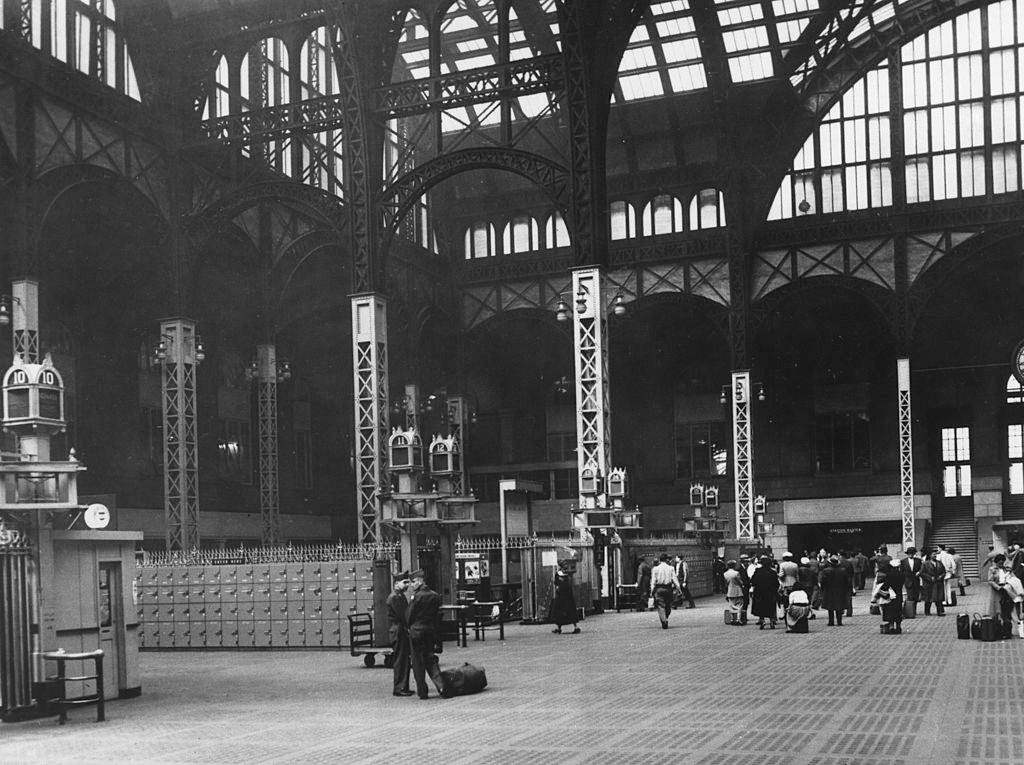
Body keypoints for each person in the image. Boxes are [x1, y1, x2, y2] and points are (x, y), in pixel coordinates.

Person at [406, 569, 446, 700]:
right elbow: (438, 615)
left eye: (412, 582)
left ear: (419, 581)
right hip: (430, 631)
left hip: (417, 632)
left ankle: (422, 691)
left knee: (418, 662)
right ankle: (442, 687)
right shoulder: (434, 595)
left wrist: (410, 626)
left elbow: (409, 616)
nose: (411, 585)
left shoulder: (416, 596)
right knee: (431, 659)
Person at [385, 570, 414, 697]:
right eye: (405, 582)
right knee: (401, 660)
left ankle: (404, 686)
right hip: (398, 631)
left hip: (400, 630)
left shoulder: (399, 596)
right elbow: (403, 615)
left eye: (408, 582)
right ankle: (399, 688)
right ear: (397, 583)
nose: (407, 585)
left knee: (404, 660)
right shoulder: (395, 597)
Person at [819, 554, 852, 627]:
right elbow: (847, 581)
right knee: (839, 605)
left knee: (830, 606)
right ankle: (839, 621)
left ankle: (831, 621)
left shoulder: (826, 571)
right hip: (840, 589)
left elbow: (822, 581)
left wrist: (822, 589)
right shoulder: (843, 570)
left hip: (829, 590)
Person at [649, 553, 680, 629]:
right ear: (666, 560)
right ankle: (665, 618)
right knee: (668, 605)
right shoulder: (671, 568)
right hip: (668, 589)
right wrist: (679, 589)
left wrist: (651, 591)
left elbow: (653, 581)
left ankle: (664, 620)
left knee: (661, 606)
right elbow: (675, 579)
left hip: (659, 589)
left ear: (659, 560)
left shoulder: (655, 569)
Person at [750, 555, 780, 629]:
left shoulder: (758, 571)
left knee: (761, 607)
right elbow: (777, 584)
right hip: (770, 593)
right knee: (771, 607)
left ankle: (762, 620)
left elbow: (753, 581)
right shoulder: (773, 572)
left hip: (759, 593)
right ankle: (772, 621)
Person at [550, 563, 580, 634]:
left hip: (561, 596)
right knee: (571, 611)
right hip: (569, 596)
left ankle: (558, 628)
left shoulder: (558, 574)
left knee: (559, 612)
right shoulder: (568, 574)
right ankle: (576, 627)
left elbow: (556, 584)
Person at [878, 559, 905, 634]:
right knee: (898, 611)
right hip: (898, 595)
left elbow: (885, 586)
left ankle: (891, 627)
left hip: (891, 596)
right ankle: (899, 627)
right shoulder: (902, 574)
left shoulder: (889, 575)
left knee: (890, 611)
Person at [920, 549, 946, 616]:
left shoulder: (939, 563)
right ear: (930, 555)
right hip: (929, 584)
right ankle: (927, 611)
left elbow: (944, 572)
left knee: (939, 598)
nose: (935, 555)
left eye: (935, 554)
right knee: (928, 598)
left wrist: (941, 576)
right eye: (933, 554)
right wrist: (929, 578)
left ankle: (939, 612)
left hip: (938, 583)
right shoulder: (925, 564)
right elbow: (922, 573)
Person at [900, 547, 922, 619]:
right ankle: (910, 611)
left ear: (914, 554)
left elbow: (921, 569)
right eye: (909, 554)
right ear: (907, 554)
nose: (911, 555)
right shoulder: (903, 561)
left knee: (916, 596)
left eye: (912, 554)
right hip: (908, 580)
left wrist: (919, 573)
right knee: (910, 596)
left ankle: (914, 610)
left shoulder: (918, 561)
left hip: (916, 580)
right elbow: (902, 571)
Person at [723, 560, 745, 624]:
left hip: (730, 591)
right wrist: (743, 585)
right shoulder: (736, 573)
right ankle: (738, 619)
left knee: (731, 605)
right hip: (737, 590)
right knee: (740, 604)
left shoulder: (725, 574)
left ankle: (732, 619)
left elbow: (726, 583)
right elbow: (740, 582)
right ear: (734, 565)